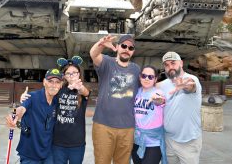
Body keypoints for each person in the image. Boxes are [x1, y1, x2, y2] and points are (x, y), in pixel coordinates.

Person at [21, 56, 90, 164]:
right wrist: (23, 99)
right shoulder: (58, 90)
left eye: (75, 72)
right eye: (68, 73)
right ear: (64, 76)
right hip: (58, 143)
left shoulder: (81, 91)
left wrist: (79, 87)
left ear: (79, 73)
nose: (72, 75)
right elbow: (44, 92)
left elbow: (86, 93)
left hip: (77, 144)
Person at [89, 34, 140, 164]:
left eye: (130, 47)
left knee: (123, 162)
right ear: (117, 47)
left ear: (133, 51)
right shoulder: (107, 62)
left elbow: (148, 84)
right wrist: (100, 44)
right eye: (123, 46)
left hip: (127, 128)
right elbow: (94, 55)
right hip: (103, 126)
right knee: (102, 161)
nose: (126, 49)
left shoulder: (136, 69)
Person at [6, 68, 63, 164]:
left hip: (48, 153)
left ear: (61, 85)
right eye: (50, 81)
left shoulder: (57, 101)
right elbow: (20, 109)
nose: (53, 85)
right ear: (44, 82)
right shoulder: (32, 97)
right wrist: (14, 115)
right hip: (30, 154)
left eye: (57, 82)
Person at [157, 51, 202, 164]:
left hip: (188, 142)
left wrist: (185, 86)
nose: (170, 67)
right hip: (169, 140)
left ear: (181, 63)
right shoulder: (163, 84)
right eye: (166, 65)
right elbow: (146, 85)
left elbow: (191, 86)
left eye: (173, 63)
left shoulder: (191, 79)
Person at [131, 65, 167, 164]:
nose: (147, 78)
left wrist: (157, 99)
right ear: (140, 77)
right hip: (137, 140)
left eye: (150, 77)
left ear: (155, 79)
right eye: (144, 76)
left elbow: (160, 100)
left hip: (153, 143)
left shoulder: (158, 92)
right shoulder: (136, 92)